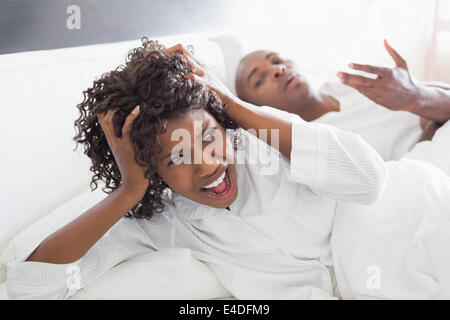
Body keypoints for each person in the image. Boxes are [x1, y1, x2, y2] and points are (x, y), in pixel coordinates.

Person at [6, 39, 450, 300]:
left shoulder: (264, 140)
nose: (209, 165)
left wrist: (234, 106)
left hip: (416, 221)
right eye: (176, 158)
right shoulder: (163, 219)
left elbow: (369, 180)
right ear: (151, 170)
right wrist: (128, 190)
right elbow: (30, 288)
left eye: (207, 136)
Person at [235, 40, 450, 162]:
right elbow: (397, 182)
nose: (277, 69)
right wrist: (428, 113)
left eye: (277, 60)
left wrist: (415, 95)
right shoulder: (312, 142)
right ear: (257, 109)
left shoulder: (347, 84)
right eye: (259, 79)